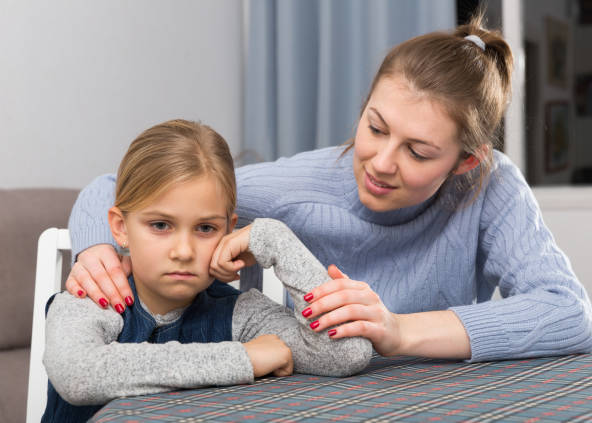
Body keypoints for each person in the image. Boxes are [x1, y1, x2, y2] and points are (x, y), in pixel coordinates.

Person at [64, 15, 592, 364]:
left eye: (418, 151)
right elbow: (110, 188)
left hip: (440, 397)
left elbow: (569, 314)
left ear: (465, 162)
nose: (380, 163)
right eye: (375, 127)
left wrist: (397, 330)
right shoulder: (300, 186)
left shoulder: (492, 184)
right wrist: (95, 247)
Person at [42, 119, 371, 422]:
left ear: (229, 231)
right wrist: (243, 359)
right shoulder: (91, 298)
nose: (183, 251)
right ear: (120, 227)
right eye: (160, 225)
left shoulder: (240, 313)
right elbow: (77, 374)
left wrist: (273, 238)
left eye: (205, 229)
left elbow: (346, 353)